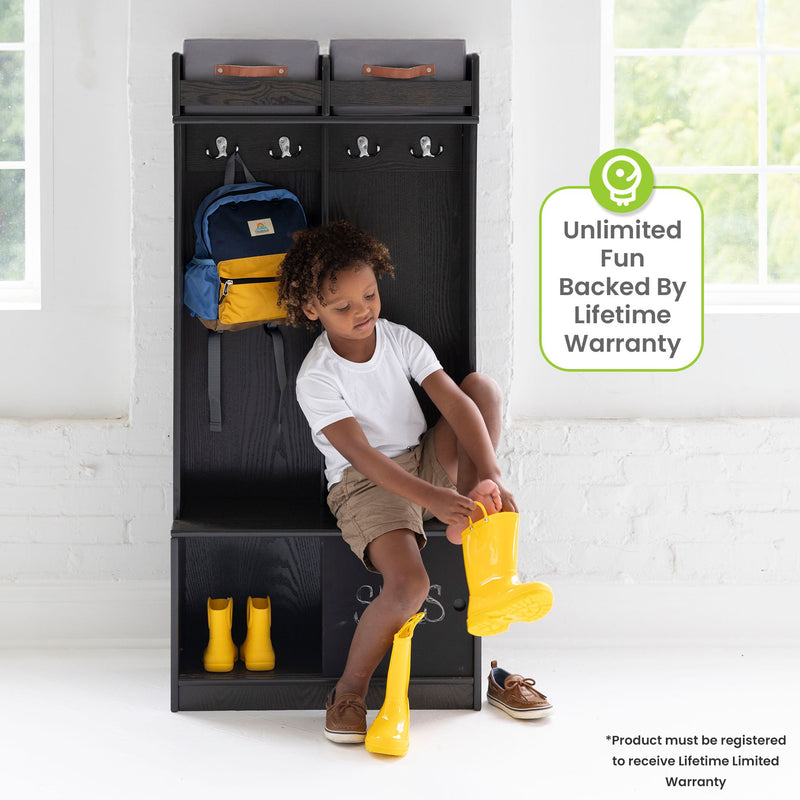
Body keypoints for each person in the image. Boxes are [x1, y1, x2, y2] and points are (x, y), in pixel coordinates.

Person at [278, 220, 518, 743]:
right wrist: (434, 496)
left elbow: (454, 402)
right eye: (343, 307)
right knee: (411, 585)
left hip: (422, 461)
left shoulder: (398, 338)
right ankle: (349, 691)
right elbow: (362, 457)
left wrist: (489, 471)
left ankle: (477, 510)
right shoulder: (316, 377)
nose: (362, 311)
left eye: (369, 294)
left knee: (481, 389)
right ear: (312, 310)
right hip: (366, 486)